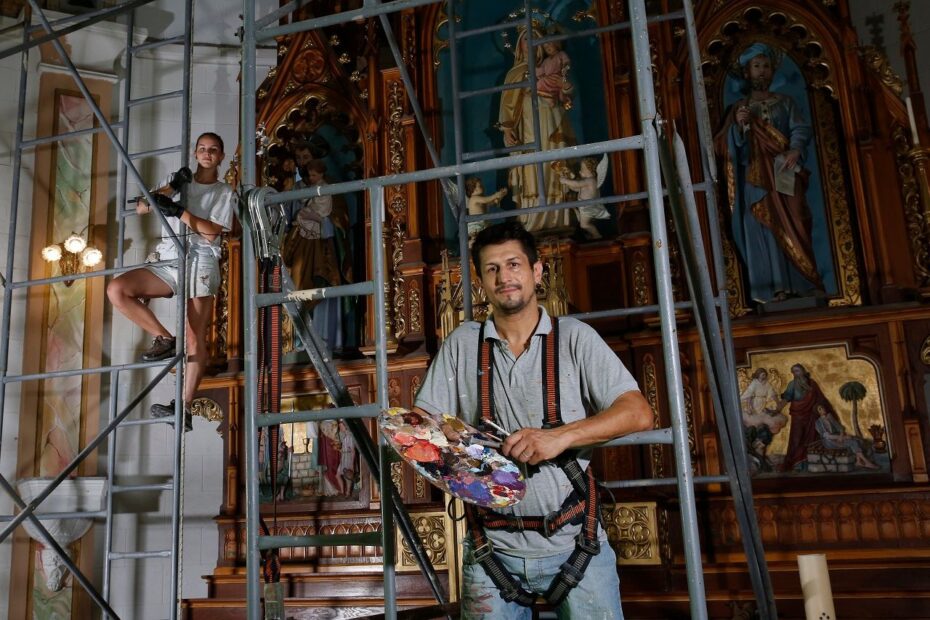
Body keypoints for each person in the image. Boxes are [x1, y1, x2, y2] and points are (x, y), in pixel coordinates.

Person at [414, 221, 652, 618]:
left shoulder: (575, 337)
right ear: (480, 280)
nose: (504, 277)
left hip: (578, 543)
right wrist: (447, 452)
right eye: (492, 269)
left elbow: (638, 412)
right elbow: (423, 428)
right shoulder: (462, 344)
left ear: (537, 271)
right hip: (492, 551)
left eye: (513, 264)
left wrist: (559, 437)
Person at [106, 132, 236, 431]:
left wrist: (180, 211)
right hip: (169, 257)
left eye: (213, 150)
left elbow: (212, 233)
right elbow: (142, 207)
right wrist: (173, 187)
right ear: (194, 152)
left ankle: (185, 406)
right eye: (202, 148)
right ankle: (165, 338)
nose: (206, 153)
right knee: (117, 289)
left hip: (201, 260)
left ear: (221, 155)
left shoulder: (224, 191)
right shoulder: (177, 181)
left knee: (194, 335)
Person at [714, 43, 824, 303]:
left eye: (765, 66)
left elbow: (801, 129)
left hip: (784, 171)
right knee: (761, 224)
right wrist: (739, 128)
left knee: (795, 219)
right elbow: (723, 147)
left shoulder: (786, 102)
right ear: (747, 72)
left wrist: (795, 149)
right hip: (755, 177)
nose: (761, 71)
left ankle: (805, 282)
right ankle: (775, 288)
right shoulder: (739, 108)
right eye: (756, 66)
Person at [498, 29, 575, 233]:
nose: (530, 42)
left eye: (535, 38)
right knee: (532, 164)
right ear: (518, 45)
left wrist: (565, 88)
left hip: (552, 119)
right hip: (527, 123)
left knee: (553, 162)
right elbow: (507, 103)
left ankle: (559, 215)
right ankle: (531, 217)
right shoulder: (515, 72)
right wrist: (507, 128)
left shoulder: (552, 66)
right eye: (525, 39)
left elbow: (565, 93)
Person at [281, 158, 345, 350]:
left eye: (314, 174)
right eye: (309, 174)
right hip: (303, 243)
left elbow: (324, 212)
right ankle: (299, 337)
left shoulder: (325, 189)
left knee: (320, 282)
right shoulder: (301, 189)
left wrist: (306, 214)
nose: (311, 177)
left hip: (319, 244)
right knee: (299, 283)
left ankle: (323, 337)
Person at [775, 363, 833, 472]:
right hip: (798, 416)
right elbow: (786, 398)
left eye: (797, 371)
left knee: (812, 438)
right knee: (796, 439)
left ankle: (809, 464)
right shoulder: (792, 384)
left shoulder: (812, 384)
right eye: (793, 372)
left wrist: (821, 409)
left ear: (803, 371)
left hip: (811, 415)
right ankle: (795, 464)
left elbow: (820, 399)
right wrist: (777, 410)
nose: (795, 373)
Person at [739, 368, 788, 472]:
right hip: (754, 404)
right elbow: (748, 396)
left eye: (764, 375)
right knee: (756, 423)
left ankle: (761, 446)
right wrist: (749, 407)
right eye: (762, 375)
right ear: (758, 375)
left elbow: (772, 393)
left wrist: (777, 402)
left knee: (775, 420)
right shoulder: (754, 383)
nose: (764, 376)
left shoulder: (767, 384)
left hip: (762, 405)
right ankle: (757, 449)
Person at [560, 157, 611, 239]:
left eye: (582, 169)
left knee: (584, 225)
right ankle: (591, 235)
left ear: (590, 170)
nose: (580, 171)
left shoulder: (591, 181)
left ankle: (597, 235)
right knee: (584, 223)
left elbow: (577, 184)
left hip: (588, 208)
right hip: (584, 207)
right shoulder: (586, 181)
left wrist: (566, 181)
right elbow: (575, 188)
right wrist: (567, 182)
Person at [814, 404, 879, 470]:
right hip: (830, 441)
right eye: (820, 409)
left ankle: (858, 461)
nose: (823, 409)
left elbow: (840, 428)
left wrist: (842, 435)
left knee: (858, 439)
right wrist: (844, 437)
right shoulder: (818, 423)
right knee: (853, 442)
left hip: (839, 436)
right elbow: (827, 436)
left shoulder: (829, 416)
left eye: (822, 407)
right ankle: (866, 462)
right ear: (818, 412)